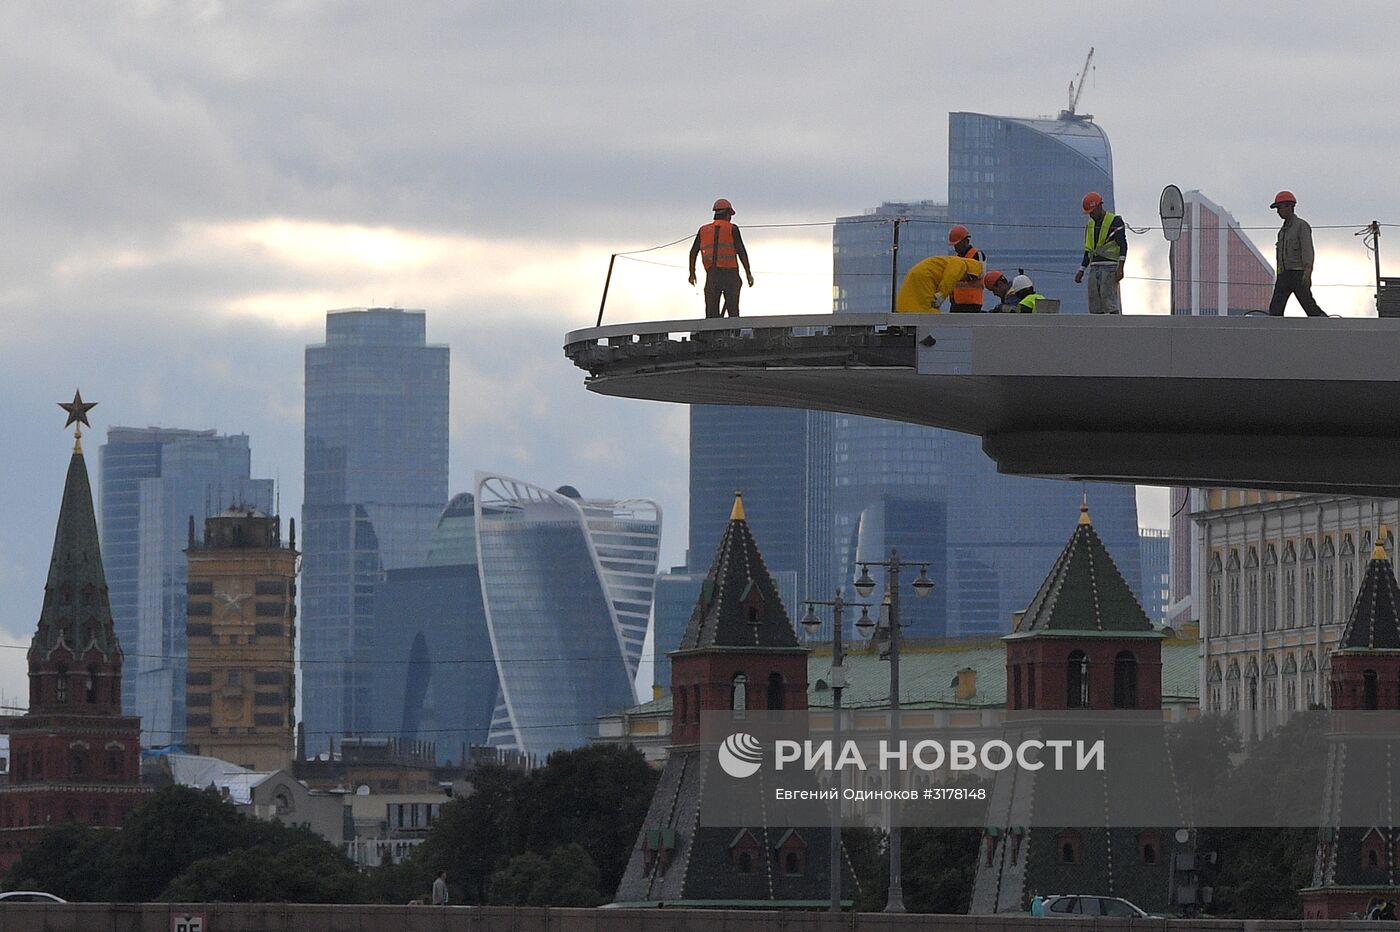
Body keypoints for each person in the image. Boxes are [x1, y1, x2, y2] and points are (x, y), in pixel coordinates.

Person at [688, 198, 754, 318]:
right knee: (733, 312)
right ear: (728, 214)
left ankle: (711, 335)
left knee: (711, 314)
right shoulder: (732, 229)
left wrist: (692, 274)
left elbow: (693, 252)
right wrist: (748, 273)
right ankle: (733, 334)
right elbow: (741, 252)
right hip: (730, 274)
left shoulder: (703, 230)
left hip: (712, 275)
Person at [1267, 190, 1326, 317]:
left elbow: (1307, 250)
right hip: (1284, 275)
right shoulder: (1282, 231)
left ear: (1289, 206)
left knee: (1309, 306)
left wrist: (1308, 272)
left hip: (1298, 273)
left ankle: (1326, 324)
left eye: (1280, 207)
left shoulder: (1301, 226)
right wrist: (1279, 273)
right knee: (1275, 309)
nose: (1278, 211)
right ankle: (1273, 332)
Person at [1073, 191, 1127, 314]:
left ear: (1099, 206)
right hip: (1094, 267)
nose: (1091, 215)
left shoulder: (1115, 221)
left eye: (1092, 212)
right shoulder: (1090, 224)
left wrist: (1120, 267)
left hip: (1110, 267)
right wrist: (1081, 269)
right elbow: (1088, 250)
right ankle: (1097, 329)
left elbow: (1123, 245)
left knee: (1109, 301)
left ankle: (1113, 326)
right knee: (1094, 303)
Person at [894, 256, 983, 313]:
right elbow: (951, 277)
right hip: (926, 277)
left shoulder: (952, 260)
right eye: (969, 278)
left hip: (920, 274)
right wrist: (941, 295)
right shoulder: (962, 265)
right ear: (973, 272)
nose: (965, 281)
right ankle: (927, 336)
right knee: (929, 308)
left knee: (914, 303)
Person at [947, 225, 987, 312]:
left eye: (957, 244)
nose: (955, 247)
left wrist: (961, 276)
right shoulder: (955, 258)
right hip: (957, 303)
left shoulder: (977, 254)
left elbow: (980, 274)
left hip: (972, 303)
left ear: (965, 241)